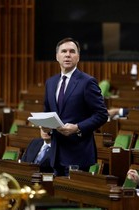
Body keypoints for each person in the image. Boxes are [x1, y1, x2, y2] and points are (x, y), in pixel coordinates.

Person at [42, 37, 108, 176]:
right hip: (56, 153)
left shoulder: (87, 82)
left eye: (72, 51)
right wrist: (45, 126)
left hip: (78, 153)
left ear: (78, 57)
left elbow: (102, 115)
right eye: (64, 51)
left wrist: (78, 127)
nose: (67, 54)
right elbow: (47, 111)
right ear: (57, 56)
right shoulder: (51, 82)